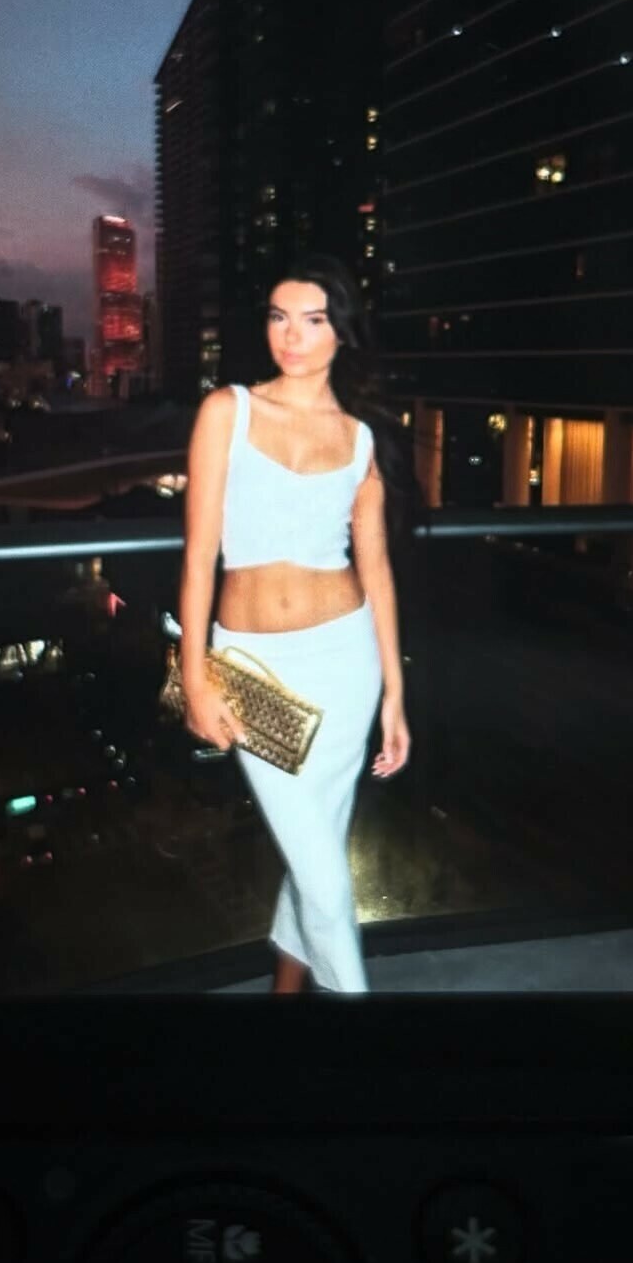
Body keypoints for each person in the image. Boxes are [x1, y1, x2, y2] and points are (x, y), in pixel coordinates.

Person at [178, 253, 417, 996]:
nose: (292, 336)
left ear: (341, 332)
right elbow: (198, 556)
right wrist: (194, 677)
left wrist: (394, 695)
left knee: (316, 851)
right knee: (325, 875)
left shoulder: (362, 439)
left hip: (347, 664)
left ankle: (287, 993)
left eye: (312, 321)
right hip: (251, 668)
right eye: (279, 317)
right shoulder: (228, 411)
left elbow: (377, 572)